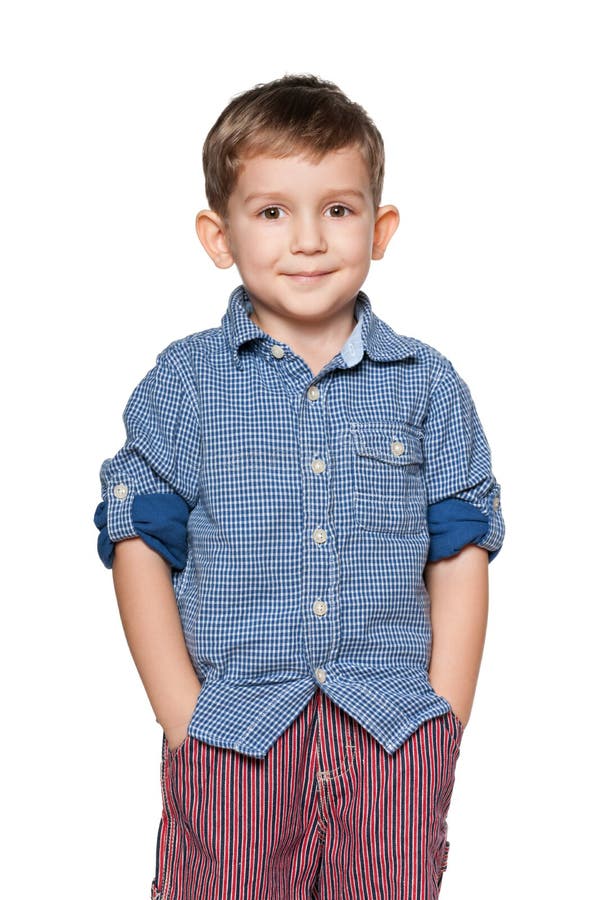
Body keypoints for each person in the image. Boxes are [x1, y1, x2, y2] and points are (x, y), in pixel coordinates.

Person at [94, 74, 504, 900]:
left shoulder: (428, 385)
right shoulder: (186, 383)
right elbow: (135, 538)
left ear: (380, 228)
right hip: (234, 734)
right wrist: (183, 716)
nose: (309, 239)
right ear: (220, 236)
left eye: (339, 210)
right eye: (273, 211)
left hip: (390, 737)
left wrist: (444, 721)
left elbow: (461, 548)